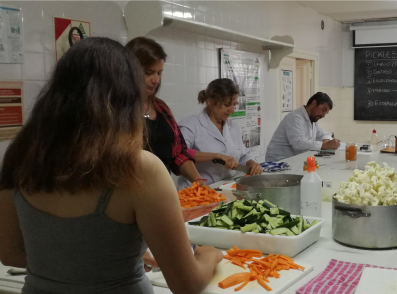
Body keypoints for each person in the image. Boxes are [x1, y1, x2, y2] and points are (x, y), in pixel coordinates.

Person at [0, 38, 222, 294]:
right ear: (127, 96)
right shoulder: (140, 168)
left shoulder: (20, 158)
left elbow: (12, 255)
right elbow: (187, 284)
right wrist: (209, 256)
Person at [125, 37, 206, 187]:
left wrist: (198, 180)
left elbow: (178, 153)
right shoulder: (117, 110)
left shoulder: (161, 108)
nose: (156, 80)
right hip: (128, 194)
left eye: (159, 73)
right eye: (149, 73)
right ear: (130, 70)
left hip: (162, 190)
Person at [177, 78, 262, 187]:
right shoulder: (190, 125)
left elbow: (243, 155)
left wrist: (252, 163)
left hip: (226, 187)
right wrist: (216, 156)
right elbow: (180, 154)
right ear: (211, 102)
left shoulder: (234, 127)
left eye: (234, 104)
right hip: (196, 190)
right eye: (227, 105)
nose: (232, 110)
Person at [265, 92, 340, 162]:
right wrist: (324, 145)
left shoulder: (312, 121)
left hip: (293, 161)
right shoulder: (295, 117)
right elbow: (298, 143)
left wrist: (326, 140)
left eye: (325, 113)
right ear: (314, 103)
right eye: (323, 110)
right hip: (278, 162)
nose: (323, 115)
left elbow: (324, 134)